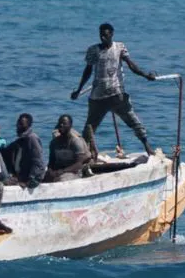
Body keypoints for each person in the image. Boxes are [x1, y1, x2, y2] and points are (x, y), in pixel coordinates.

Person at [71, 22, 156, 155]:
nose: (103, 38)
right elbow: (87, 71)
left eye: (105, 35)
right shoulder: (93, 50)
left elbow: (131, 66)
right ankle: (84, 156)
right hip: (98, 97)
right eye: (101, 35)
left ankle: (147, 146)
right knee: (89, 128)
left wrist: (146, 75)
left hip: (117, 94)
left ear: (111, 34)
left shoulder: (119, 47)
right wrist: (78, 90)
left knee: (133, 121)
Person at [46, 114, 92, 182]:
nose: (61, 125)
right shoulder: (53, 143)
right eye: (60, 123)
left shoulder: (75, 141)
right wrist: (50, 171)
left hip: (73, 172)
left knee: (61, 180)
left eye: (64, 123)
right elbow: (51, 161)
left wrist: (63, 171)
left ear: (70, 125)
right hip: (58, 170)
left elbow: (78, 164)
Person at [7, 113, 46, 189]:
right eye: (18, 123)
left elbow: (38, 161)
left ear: (29, 125)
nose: (18, 126)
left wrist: (30, 180)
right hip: (20, 175)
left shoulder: (32, 138)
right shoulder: (20, 141)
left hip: (30, 179)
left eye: (22, 124)